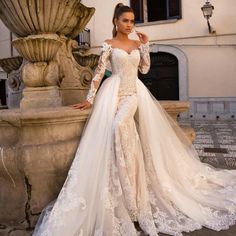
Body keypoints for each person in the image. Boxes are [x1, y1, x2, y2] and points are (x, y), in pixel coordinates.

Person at [33, 3, 236, 236]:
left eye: (132, 21)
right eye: (125, 21)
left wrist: (146, 45)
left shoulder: (138, 43)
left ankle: (133, 189)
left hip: (133, 93)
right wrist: (90, 99)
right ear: (115, 22)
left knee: (119, 125)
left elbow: (146, 69)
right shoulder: (108, 45)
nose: (129, 24)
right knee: (121, 131)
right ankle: (127, 186)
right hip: (112, 92)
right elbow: (99, 73)